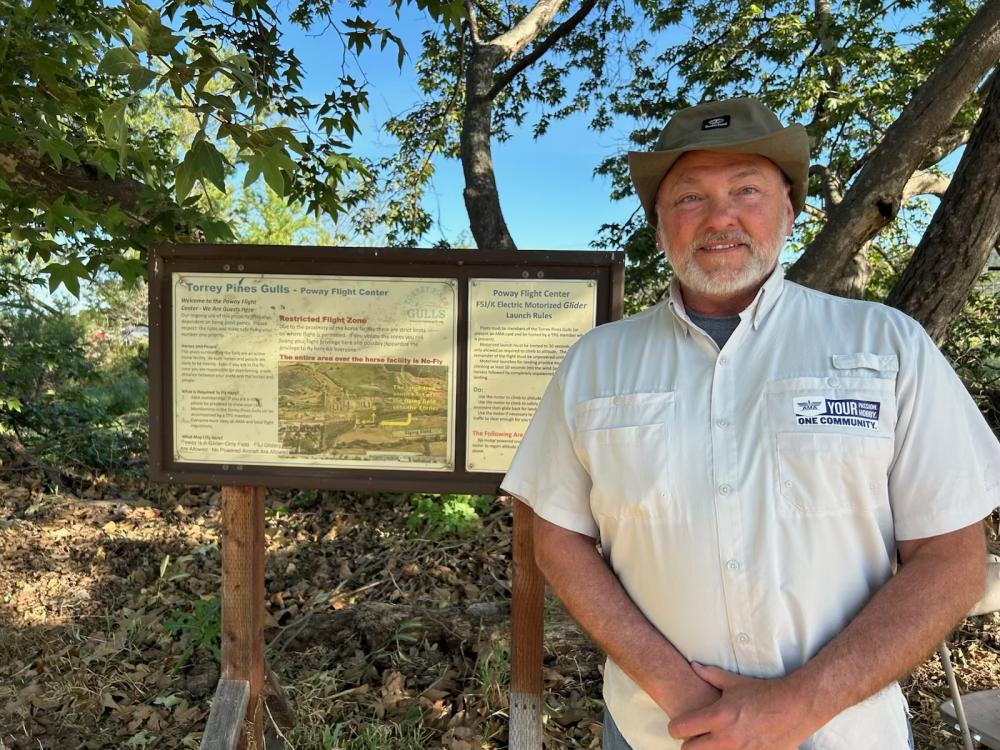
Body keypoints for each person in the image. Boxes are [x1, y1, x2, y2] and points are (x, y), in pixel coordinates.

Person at [500, 97, 1000, 749]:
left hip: (846, 731)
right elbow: (557, 538)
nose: (721, 217)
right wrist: (679, 692)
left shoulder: (887, 347)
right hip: (657, 730)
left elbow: (952, 558)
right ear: (659, 226)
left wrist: (796, 705)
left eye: (747, 190)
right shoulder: (596, 364)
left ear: (788, 210)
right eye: (690, 198)